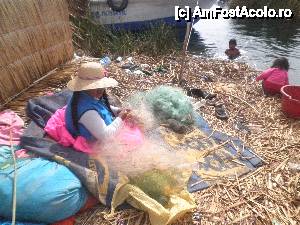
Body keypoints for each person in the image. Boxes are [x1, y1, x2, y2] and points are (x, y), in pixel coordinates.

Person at [65, 62, 131, 143]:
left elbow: (101, 106)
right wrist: (121, 118)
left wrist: (117, 110)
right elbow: (106, 137)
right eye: (95, 87)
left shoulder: (87, 95)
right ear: (84, 87)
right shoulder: (88, 111)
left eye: (101, 86)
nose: (100, 90)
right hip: (93, 142)